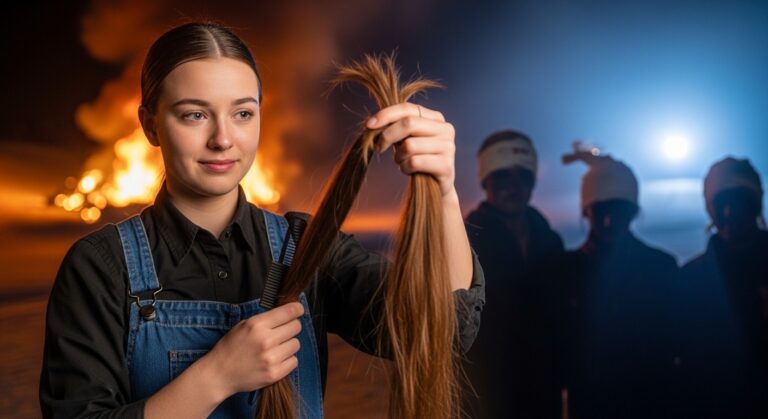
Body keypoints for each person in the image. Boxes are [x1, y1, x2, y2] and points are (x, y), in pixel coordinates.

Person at [39, 22, 485, 418]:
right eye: (194, 114)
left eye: (242, 113)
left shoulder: (308, 246)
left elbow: (446, 331)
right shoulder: (99, 267)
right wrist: (216, 376)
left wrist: (444, 190)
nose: (223, 139)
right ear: (151, 124)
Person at [559, 144, 679, 418]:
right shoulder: (662, 268)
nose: (610, 220)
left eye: (619, 210)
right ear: (587, 211)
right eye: (602, 210)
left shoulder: (565, 270)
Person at [463, 130, 565, 418]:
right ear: (486, 182)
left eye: (522, 177)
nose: (513, 187)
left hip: (543, 392)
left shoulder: (549, 241)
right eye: (502, 177)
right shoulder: (463, 242)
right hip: (484, 395)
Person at [678, 157, 768, 418]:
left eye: (737, 201)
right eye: (720, 203)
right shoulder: (689, 281)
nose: (728, 212)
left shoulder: (690, 278)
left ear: (755, 204)